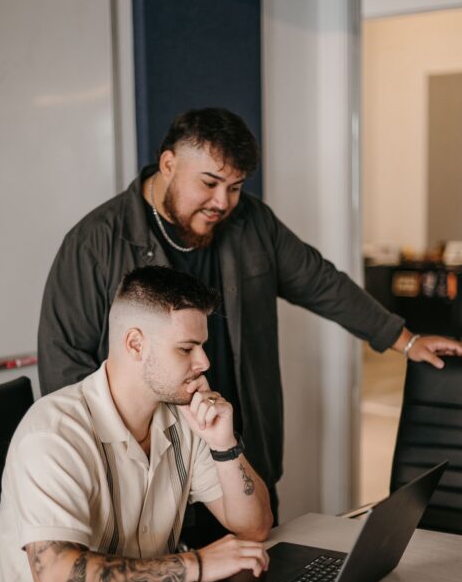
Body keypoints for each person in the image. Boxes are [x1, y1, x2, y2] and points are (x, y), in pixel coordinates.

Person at [37, 107, 462, 544]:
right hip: (148, 472)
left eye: (235, 187)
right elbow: (63, 364)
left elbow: (322, 282)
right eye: (209, 183)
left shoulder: (252, 223)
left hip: (238, 455)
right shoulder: (95, 242)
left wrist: (405, 339)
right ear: (168, 164)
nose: (223, 202)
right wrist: (111, 460)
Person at [0, 266, 272, 582]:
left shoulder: (183, 420)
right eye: (187, 348)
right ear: (136, 344)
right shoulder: (55, 432)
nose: (204, 364)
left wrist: (224, 446)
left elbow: (253, 528)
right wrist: (197, 563)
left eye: (203, 347)